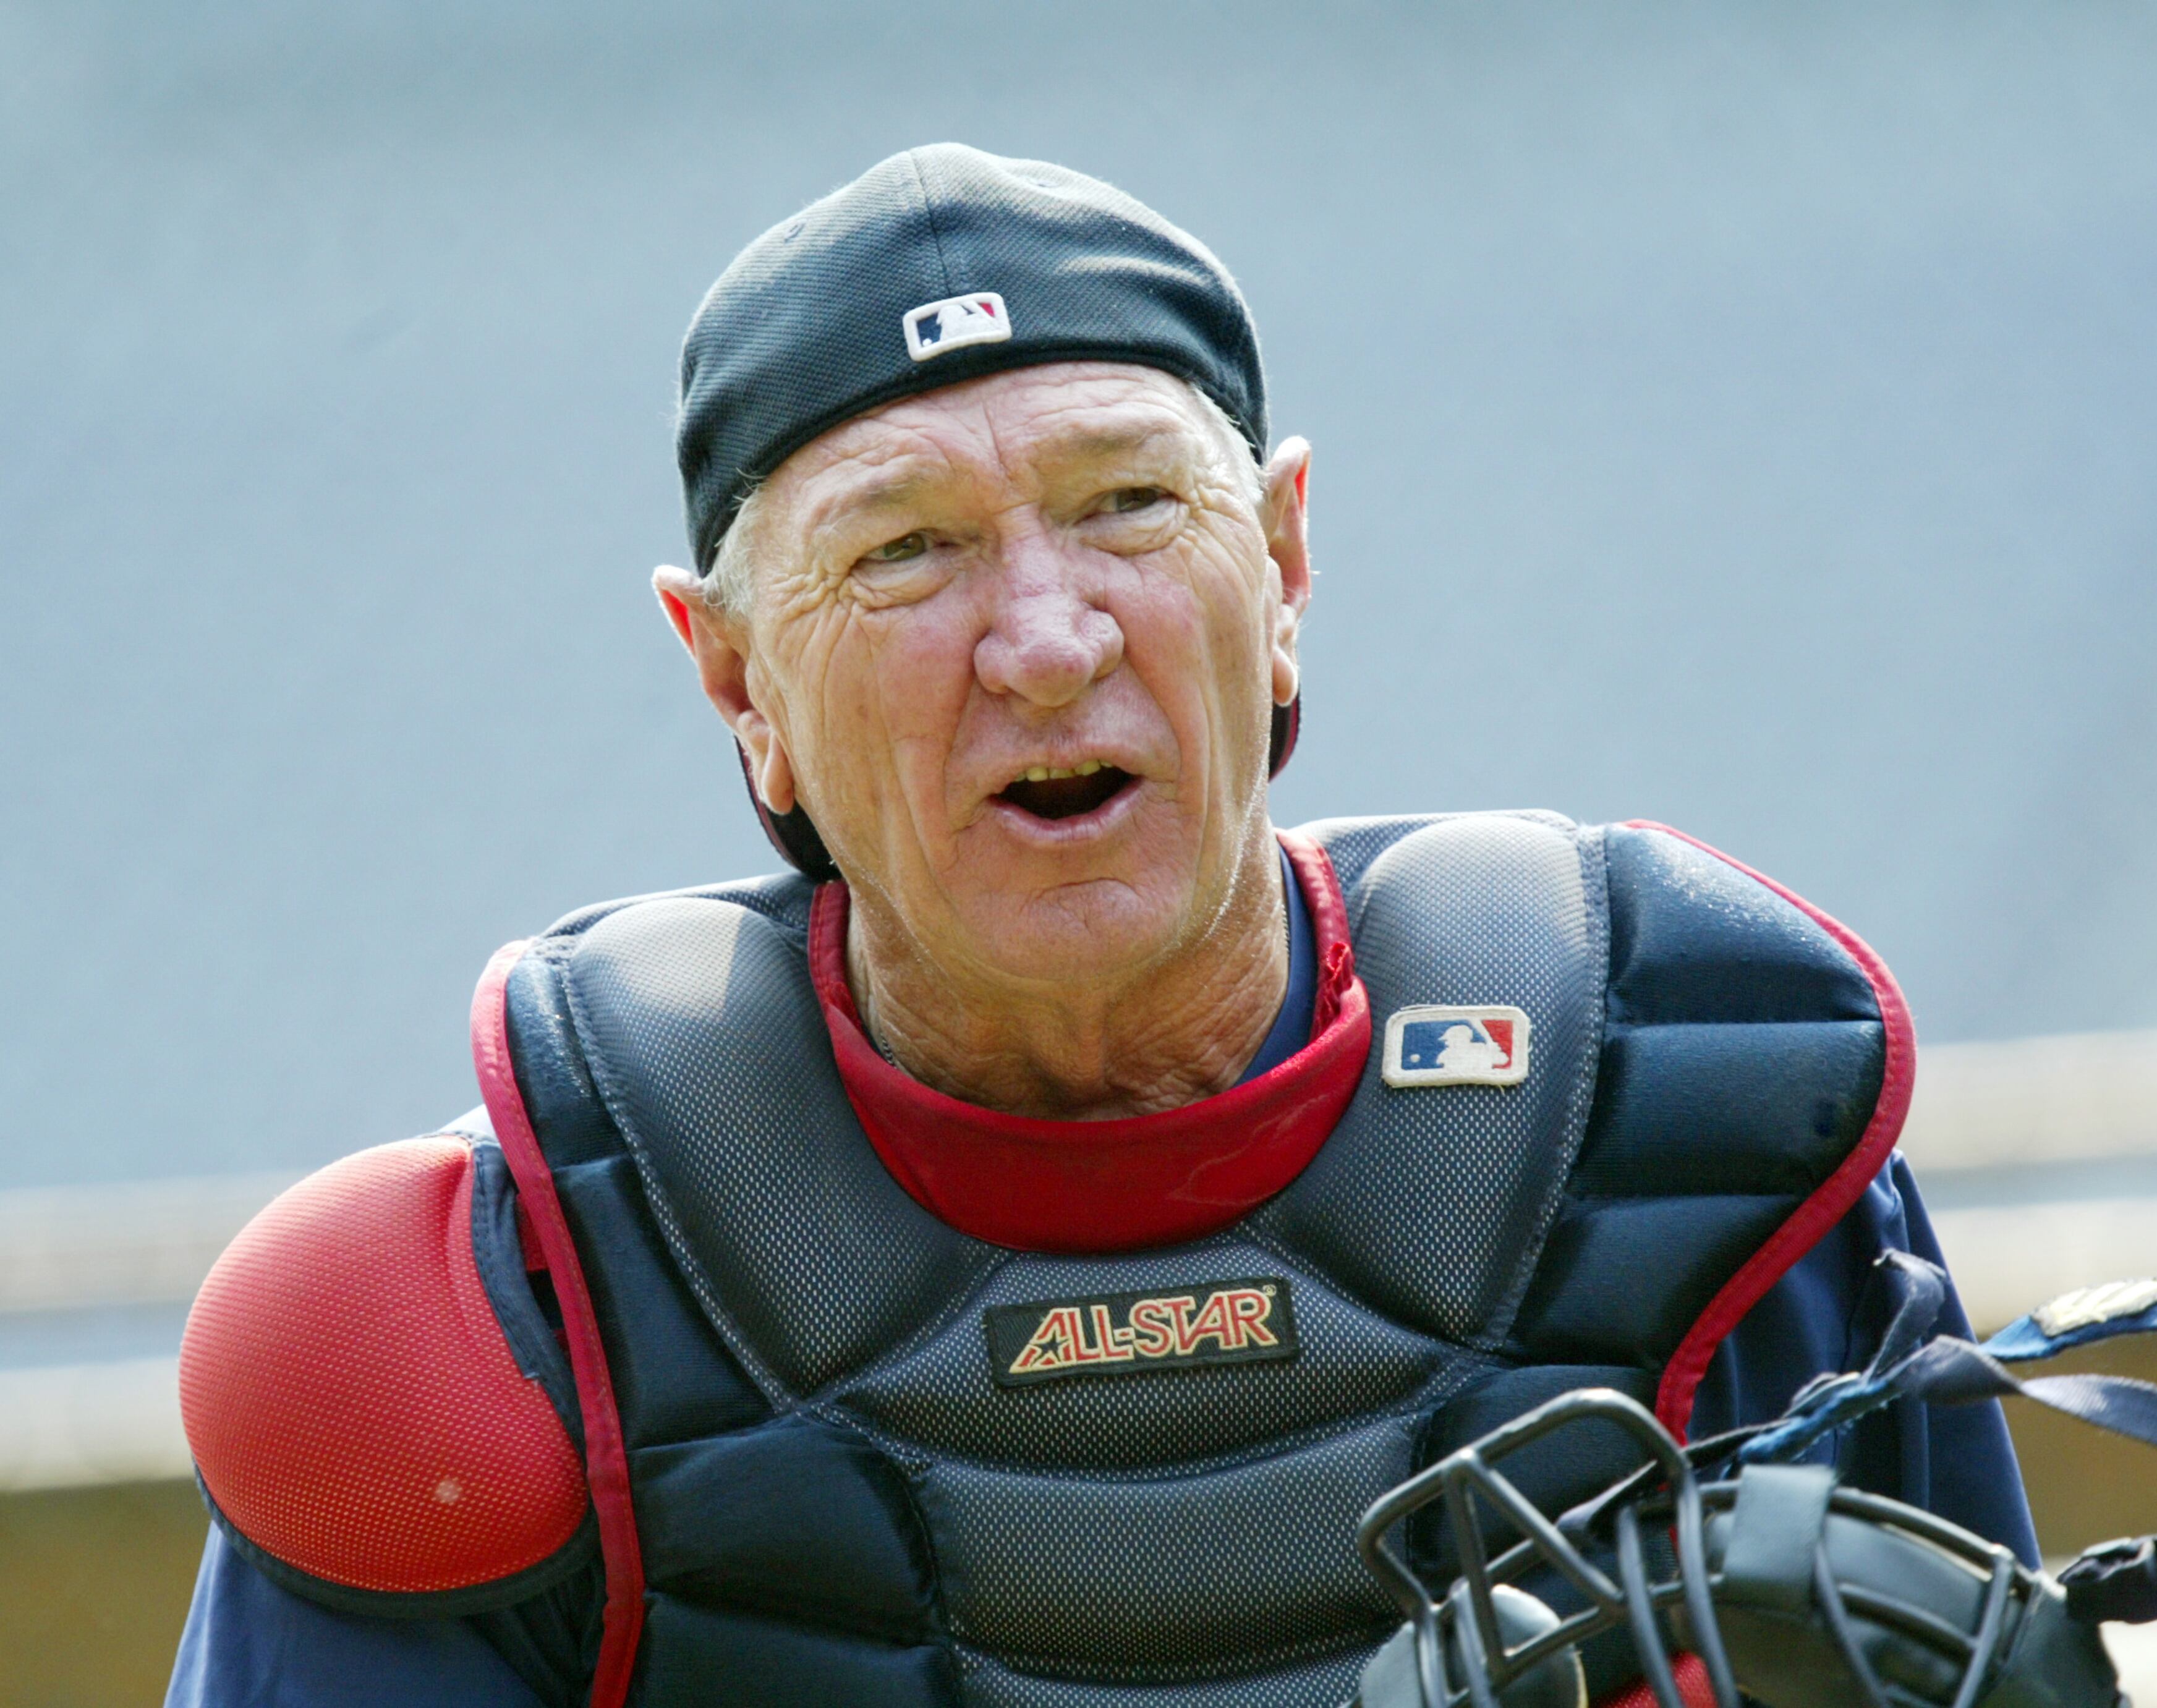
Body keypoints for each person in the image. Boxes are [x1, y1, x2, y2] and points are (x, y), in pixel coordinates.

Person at [164, 144, 2033, 1708]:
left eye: (1129, 506)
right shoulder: (498, 1302)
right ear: (733, 674)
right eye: (903, 550)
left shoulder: (1692, 1122)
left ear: (1286, 566)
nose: (1046, 641)